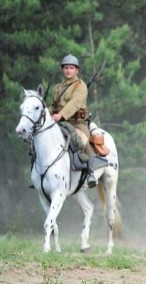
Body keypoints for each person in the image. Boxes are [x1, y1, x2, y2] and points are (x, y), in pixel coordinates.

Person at [49, 54, 97, 188]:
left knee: (82, 142)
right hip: (60, 122)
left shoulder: (80, 86)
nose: (68, 70)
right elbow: (54, 106)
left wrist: (61, 115)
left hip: (77, 123)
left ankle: (91, 173)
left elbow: (74, 104)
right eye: (66, 68)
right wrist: (43, 113)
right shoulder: (58, 87)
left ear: (77, 70)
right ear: (62, 70)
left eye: (71, 68)